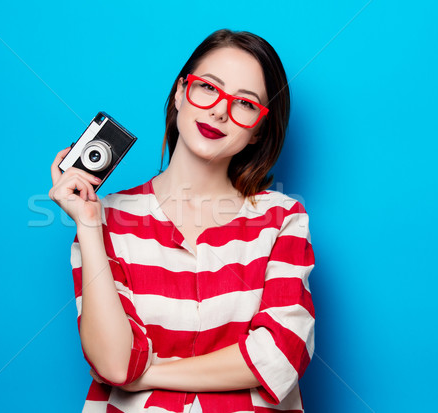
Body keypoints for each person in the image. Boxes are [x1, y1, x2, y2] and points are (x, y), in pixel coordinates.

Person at [50, 29, 315, 413]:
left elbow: (280, 355)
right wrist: (89, 224)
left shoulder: (282, 219)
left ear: (259, 130)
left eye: (245, 103)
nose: (220, 110)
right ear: (179, 93)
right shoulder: (104, 219)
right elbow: (112, 362)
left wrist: (149, 373)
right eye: (208, 87)